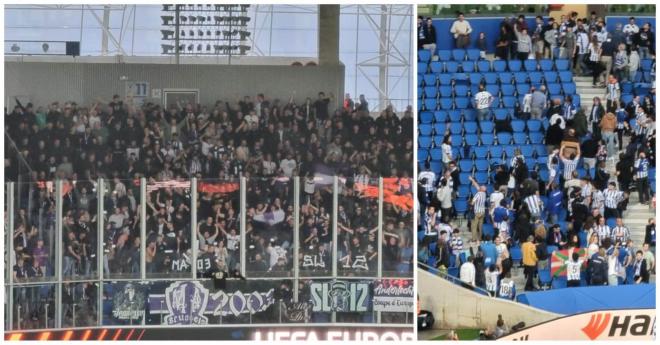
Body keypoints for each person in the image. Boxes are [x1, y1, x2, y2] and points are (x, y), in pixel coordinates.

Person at [469, 176, 487, 242]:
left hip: (477, 212)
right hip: (482, 212)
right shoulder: (484, 194)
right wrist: (472, 180)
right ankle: (480, 238)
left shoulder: (477, 194)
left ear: (481, 189)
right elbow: (477, 186)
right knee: (480, 226)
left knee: (474, 226)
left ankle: (474, 239)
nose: (479, 187)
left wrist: (470, 202)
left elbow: (472, 203)